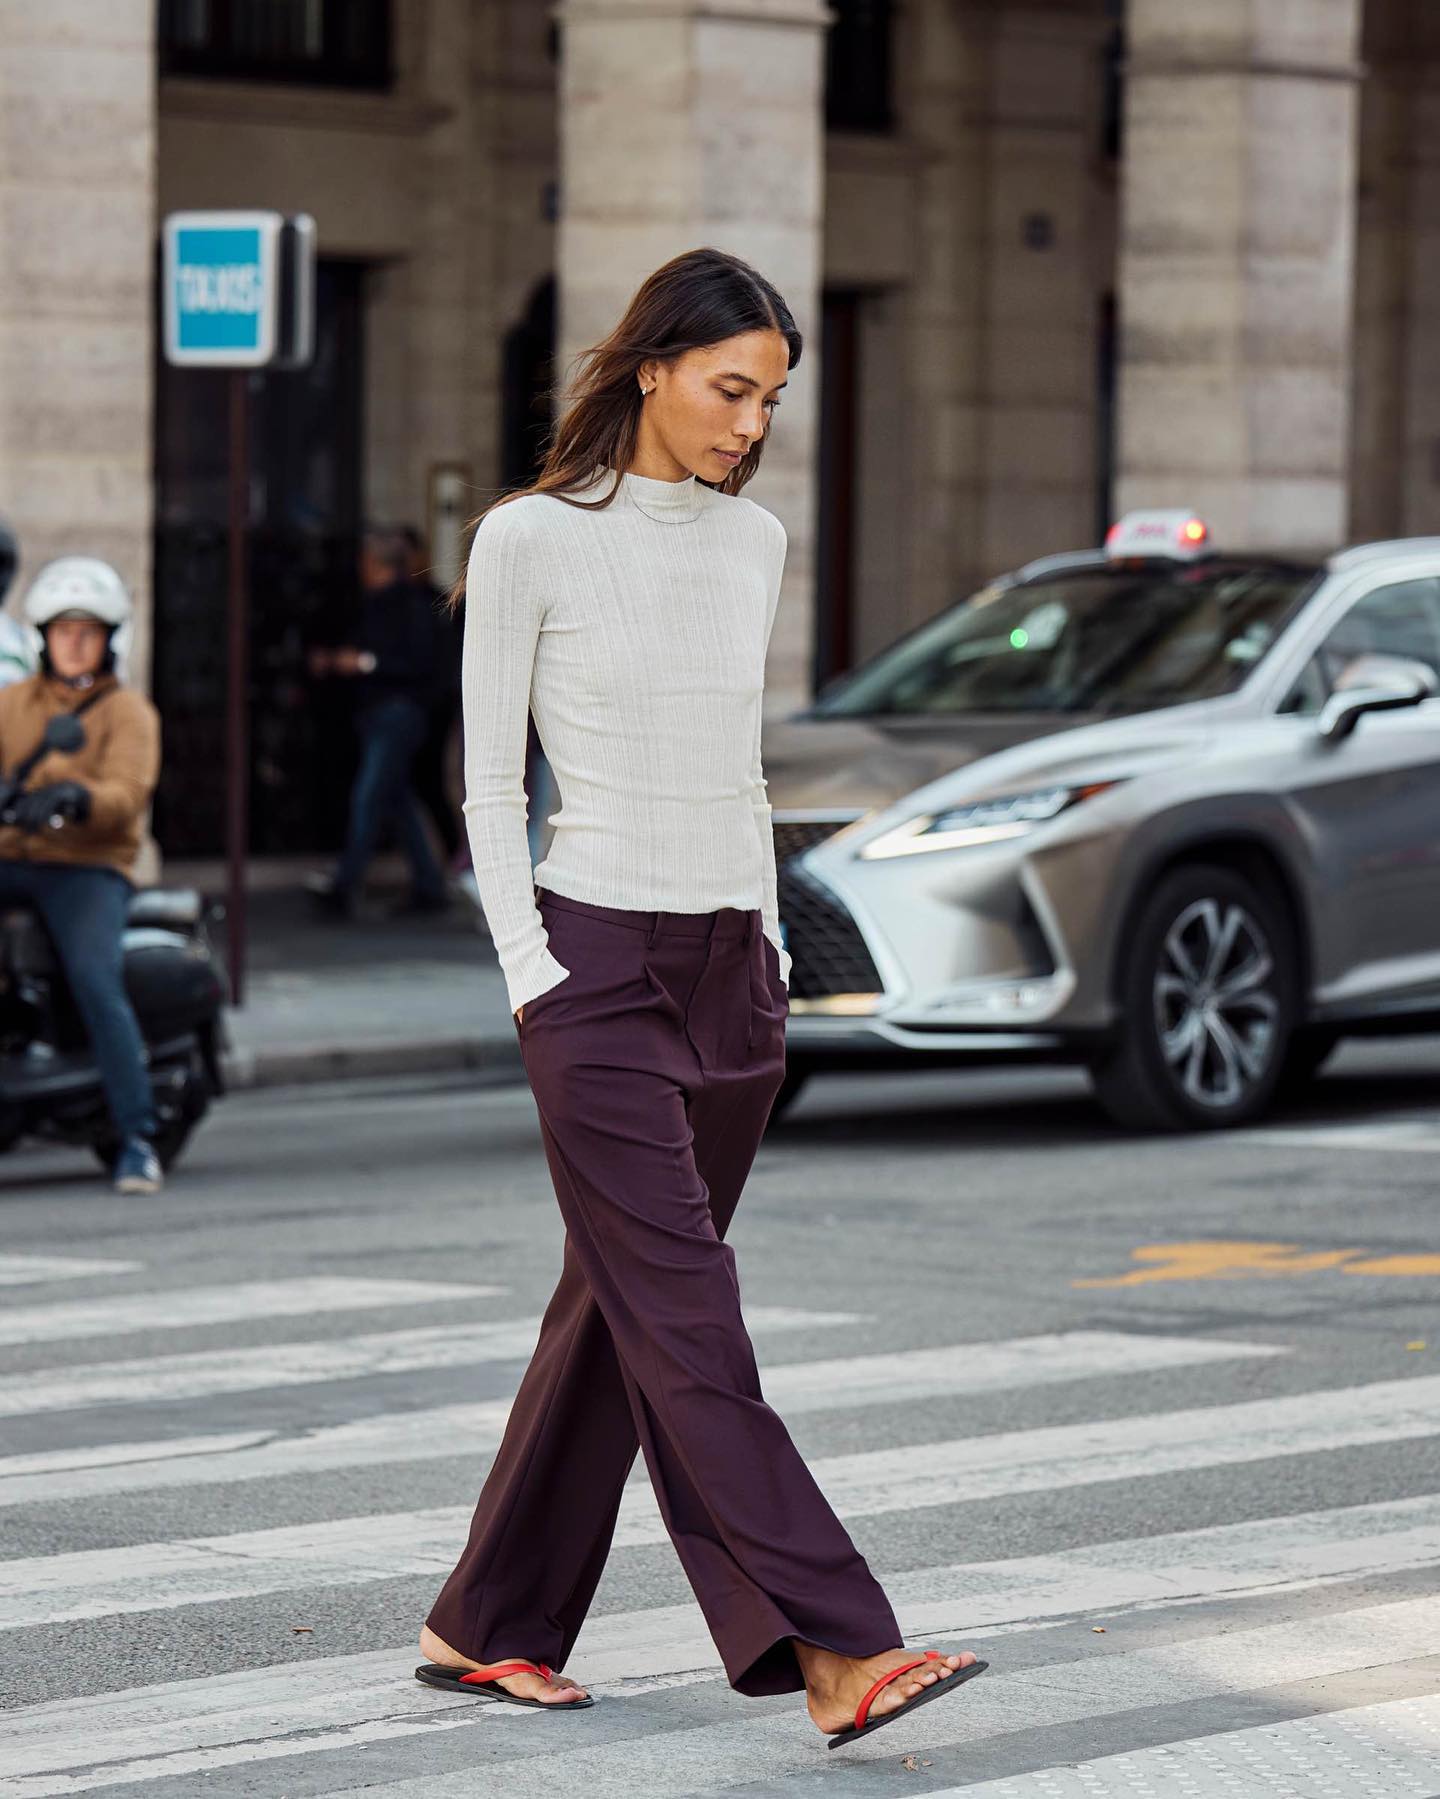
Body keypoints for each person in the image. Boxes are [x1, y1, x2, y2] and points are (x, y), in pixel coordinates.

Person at [415, 249, 986, 1748]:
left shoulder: (755, 545)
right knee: (692, 1319)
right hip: (593, 967)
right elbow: (482, 779)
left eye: (772, 397)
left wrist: (777, 949)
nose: (750, 421)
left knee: (620, 1309)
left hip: (735, 970)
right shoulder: (529, 538)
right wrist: (531, 965)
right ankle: (839, 1641)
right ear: (652, 366)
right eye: (732, 386)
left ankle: (487, 1621)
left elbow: (741, 764)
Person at [0, 557, 163, 1195]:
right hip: (13, 855)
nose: (73, 642)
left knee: (96, 978)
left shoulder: (128, 713)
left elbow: (128, 793)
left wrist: (76, 799)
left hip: (87, 865)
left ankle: (136, 1136)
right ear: (41, 637)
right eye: (62, 629)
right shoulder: (13, 705)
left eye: (87, 630)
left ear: (108, 639)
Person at [308, 526, 450, 919]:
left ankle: (344, 885)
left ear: (374, 564)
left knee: (369, 797)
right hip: (379, 713)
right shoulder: (374, 603)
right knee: (396, 799)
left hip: (399, 713)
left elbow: (418, 664)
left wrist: (364, 663)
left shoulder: (413, 605)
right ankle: (429, 884)